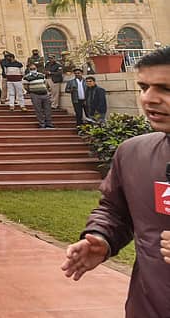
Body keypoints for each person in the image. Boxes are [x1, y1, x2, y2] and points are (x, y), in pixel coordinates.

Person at [61, 47, 170, 316]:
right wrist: (101, 236)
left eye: (165, 88)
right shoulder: (133, 154)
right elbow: (114, 210)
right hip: (148, 306)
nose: (149, 98)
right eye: (144, 87)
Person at [22, 63, 54, 128]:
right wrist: (32, 90)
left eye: (34, 68)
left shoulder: (42, 75)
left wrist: (46, 90)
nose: (33, 70)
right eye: (31, 69)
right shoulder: (26, 77)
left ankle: (49, 123)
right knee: (38, 110)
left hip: (45, 94)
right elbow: (26, 86)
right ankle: (42, 124)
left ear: (36, 68)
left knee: (48, 109)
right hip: (35, 95)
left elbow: (45, 83)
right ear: (29, 69)